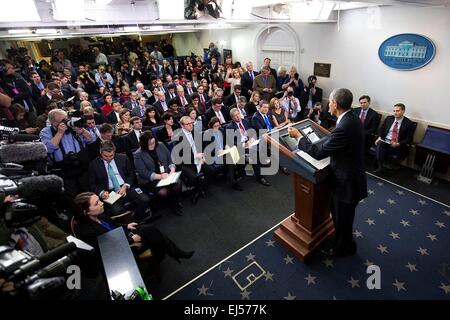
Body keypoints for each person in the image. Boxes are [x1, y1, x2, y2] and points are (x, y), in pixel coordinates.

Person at [288, 88, 367, 257]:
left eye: (330, 101)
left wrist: (298, 137)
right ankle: (342, 241)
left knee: (343, 219)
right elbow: (336, 142)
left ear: (336, 104)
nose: (328, 104)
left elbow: (318, 153)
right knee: (340, 216)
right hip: (350, 176)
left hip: (347, 183)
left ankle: (343, 249)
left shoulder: (343, 127)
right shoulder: (352, 119)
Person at [73, 192, 194, 264]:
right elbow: (107, 249)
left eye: (99, 200)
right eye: (96, 203)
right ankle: (172, 254)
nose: (101, 203)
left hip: (121, 235)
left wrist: (126, 225)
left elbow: (112, 226)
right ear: (86, 212)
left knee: (150, 229)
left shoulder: (99, 215)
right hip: (119, 250)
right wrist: (131, 241)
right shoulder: (87, 232)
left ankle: (171, 253)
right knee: (152, 233)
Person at [88, 140, 151, 221]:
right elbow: (92, 184)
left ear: (114, 151)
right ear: (100, 152)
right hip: (109, 193)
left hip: (125, 187)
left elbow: (131, 174)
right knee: (116, 211)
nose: (108, 158)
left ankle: (135, 220)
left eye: (111, 156)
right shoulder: (94, 164)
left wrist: (126, 185)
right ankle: (129, 223)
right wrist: (101, 192)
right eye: (105, 156)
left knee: (145, 199)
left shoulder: (123, 158)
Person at [134, 131, 183, 216]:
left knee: (178, 184)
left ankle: (174, 202)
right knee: (164, 192)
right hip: (151, 180)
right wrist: (160, 176)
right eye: (149, 144)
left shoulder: (160, 145)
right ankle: (172, 203)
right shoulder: (138, 154)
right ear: (143, 143)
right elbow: (143, 172)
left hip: (167, 174)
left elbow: (170, 159)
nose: (152, 145)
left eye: (153, 142)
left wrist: (172, 170)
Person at [374, 103, 415, 173]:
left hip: (397, 144)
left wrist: (398, 144)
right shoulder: (389, 118)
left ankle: (378, 165)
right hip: (385, 141)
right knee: (380, 143)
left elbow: (409, 139)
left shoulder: (409, 123)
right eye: (394, 111)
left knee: (380, 147)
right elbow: (381, 129)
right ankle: (380, 167)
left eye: (397, 111)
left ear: (403, 111)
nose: (395, 113)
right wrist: (379, 137)